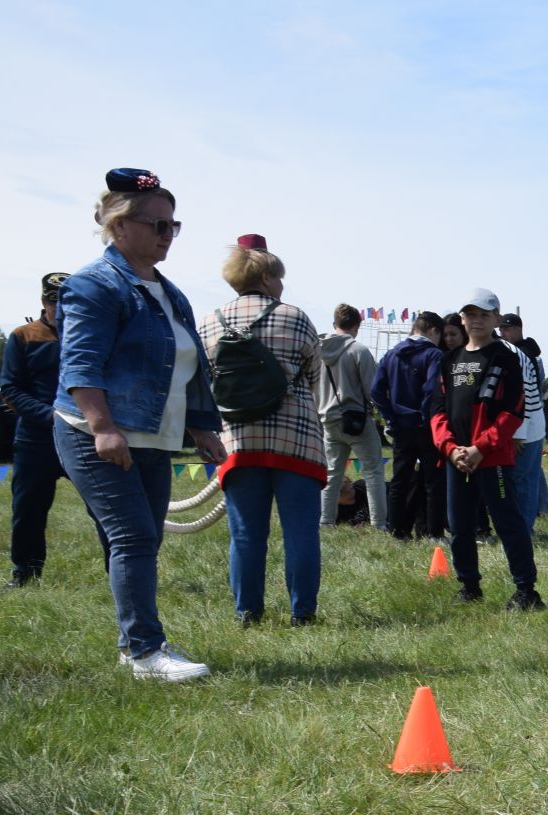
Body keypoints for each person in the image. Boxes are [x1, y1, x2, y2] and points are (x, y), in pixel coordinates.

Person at [54, 168, 228, 681]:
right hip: (96, 434)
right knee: (132, 537)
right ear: (119, 225)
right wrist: (103, 426)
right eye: (156, 225)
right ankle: (148, 652)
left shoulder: (171, 293)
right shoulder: (93, 285)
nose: (166, 235)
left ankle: (133, 647)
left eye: (173, 226)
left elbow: (189, 365)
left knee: (142, 539)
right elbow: (80, 365)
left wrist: (201, 427)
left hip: (155, 436)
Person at [196, 235, 327, 626]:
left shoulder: (208, 322)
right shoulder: (295, 317)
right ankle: (302, 614)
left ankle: (247, 614)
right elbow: (314, 374)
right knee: (300, 532)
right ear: (268, 277)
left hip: (237, 441)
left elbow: (202, 381)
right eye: (279, 278)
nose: (282, 285)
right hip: (296, 440)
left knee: (246, 535)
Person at [431, 288, 543, 609]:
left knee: (508, 524)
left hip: (491, 459)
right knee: (460, 526)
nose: (476, 320)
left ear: (496, 318)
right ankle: (469, 587)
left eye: (484, 314)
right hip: (457, 460)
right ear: (462, 318)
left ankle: (526, 591)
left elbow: (513, 411)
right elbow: (437, 411)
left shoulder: (505, 358)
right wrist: (451, 449)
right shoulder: (449, 360)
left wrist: (481, 448)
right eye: (470, 314)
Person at [1, 270, 106, 586]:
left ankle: (121, 574)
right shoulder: (23, 336)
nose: (60, 312)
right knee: (28, 509)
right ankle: (25, 573)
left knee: (105, 509)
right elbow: (10, 389)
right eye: (54, 305)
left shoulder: (93, 334)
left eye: (67, 305)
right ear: (43, 303)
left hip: (85, 436)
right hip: (36, 439)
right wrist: (52, 416)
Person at [371, 310, 448, 541]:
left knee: (399, 480)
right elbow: (431, 389)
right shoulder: (434, 355)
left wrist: (390, 415)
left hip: (400, 426)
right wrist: (425, 416)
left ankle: (398, 531)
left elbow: (376, 390)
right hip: (425, 427)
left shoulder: (391, 354)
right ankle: (434, 533)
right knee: (433, 481)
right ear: (433, 331)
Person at [315, 303, 386, 535]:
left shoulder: (317, 351)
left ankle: (326, 523)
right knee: (373, 471)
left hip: (327, 419)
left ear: (335, 324)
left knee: (332, 474)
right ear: (357, 325)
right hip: (356, 420)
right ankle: (378, 524)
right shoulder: (359, 351)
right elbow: (372, 389)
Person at [497, 311, 548, 528]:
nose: (504, 333)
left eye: (507, 329)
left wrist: (519, 432)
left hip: (525, 425)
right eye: (502, 330)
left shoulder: (524, 355)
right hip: (520, 424)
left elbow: (528, 393)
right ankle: (535, 514)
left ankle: (524, 530)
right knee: (527, 476)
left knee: (524, 479)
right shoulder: (513, 352)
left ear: (518, 329)